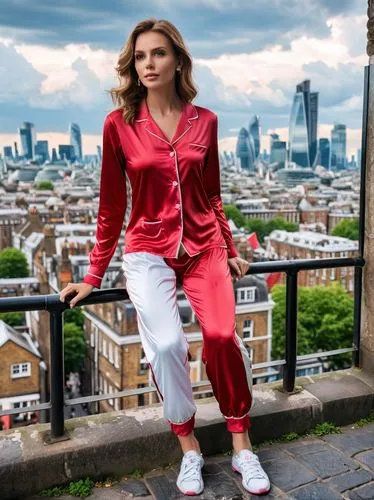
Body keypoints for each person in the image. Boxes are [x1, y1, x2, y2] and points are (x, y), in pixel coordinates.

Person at [59, 18, 270, 496]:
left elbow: (212, 195)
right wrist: (93, 274)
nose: (148, 64)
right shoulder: (119, 126)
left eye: (158, 54)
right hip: (148, 250)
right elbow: (112, 206)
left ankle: (243, 448)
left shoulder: (206, 121)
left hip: (203, 247)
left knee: (219, 336)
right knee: (169, 346)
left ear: (178, 60)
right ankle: (189, 449)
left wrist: (231, 250)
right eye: (139, 57)